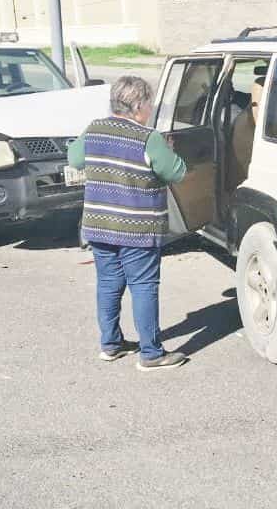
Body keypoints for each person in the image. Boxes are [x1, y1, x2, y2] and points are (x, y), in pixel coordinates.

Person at [67, 76, 189, 371]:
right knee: (144, 285)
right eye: (149, 103)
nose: (151, 108)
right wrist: (168, 150)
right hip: (138, 229)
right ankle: (151, 354)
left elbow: (75, 158)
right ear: (137, 105)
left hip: (98, 226)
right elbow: (177, 172)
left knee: (108, 283)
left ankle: (111, 345)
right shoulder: (149, 138)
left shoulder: (94, 129)